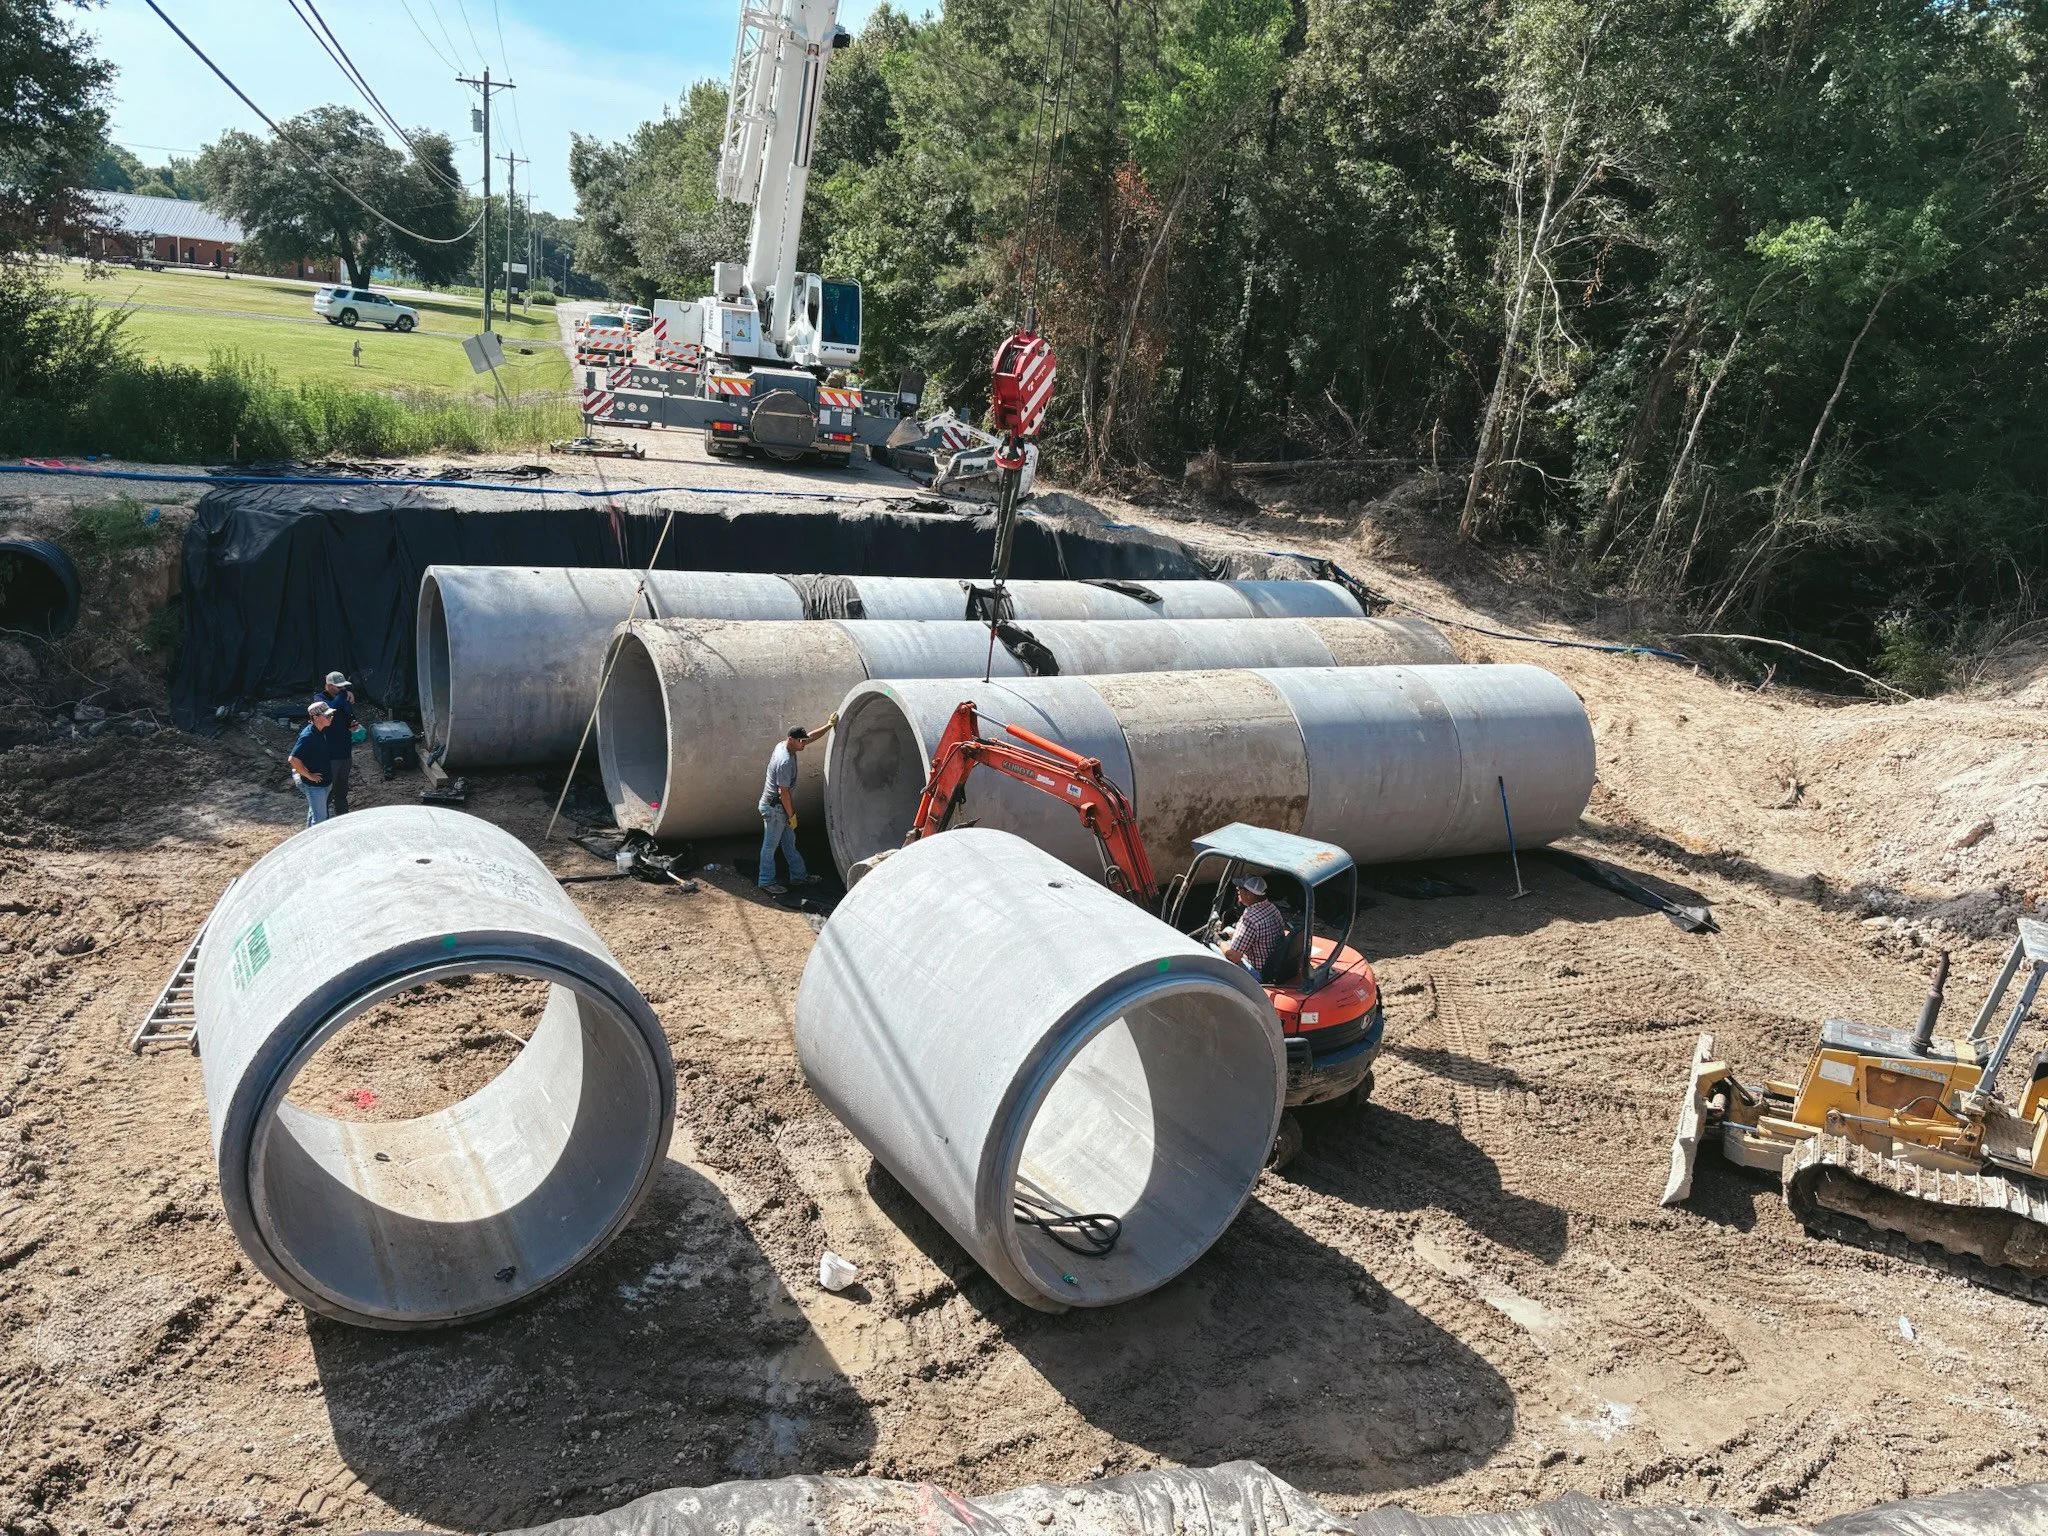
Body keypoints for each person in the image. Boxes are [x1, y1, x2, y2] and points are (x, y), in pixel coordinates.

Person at [758, 715, 837, 894]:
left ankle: (798, 877)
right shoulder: (785, 761)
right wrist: (791, 815)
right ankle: (766, 881)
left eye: (804, 741)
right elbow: (783, 793)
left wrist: (828, 726)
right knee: (770, 846)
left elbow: (810, 736)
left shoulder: (786, 745)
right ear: (791, 740)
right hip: (775, 808)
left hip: (779, 807)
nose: (804, 744)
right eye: (800, 741)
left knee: (789, 843)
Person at [1219, 872, 1287, 978]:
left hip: (1259, 972)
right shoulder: (1272, 908)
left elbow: (1234, 957)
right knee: (1228, 929)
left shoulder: (1249, 920)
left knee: (1213, 947)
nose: (1237, 889)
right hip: (1274, 960)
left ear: (1249, 894)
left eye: (1240, 888)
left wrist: (1218, 940)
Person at [288, 701, 340, 828]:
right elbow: (293, 759)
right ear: (316, 718)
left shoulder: (321, 730)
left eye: (331, 714)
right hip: (315, 786)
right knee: (320, 821)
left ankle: (308, 838)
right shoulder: (308, 736)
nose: (331, 717)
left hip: (324, 782)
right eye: (327, 715)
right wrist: (309, 775)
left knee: (314, 813)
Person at [315, 671, 359, 815]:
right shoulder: (319, 700)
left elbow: (347, 716)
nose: (342, 690)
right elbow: (330, 710)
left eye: (343, 687)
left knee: (342, 790)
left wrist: (352, 724)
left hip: (345, 751)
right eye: (338, 687)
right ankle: (323, 820)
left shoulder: (344, 697)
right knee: (327, 792)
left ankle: (342, 816)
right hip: (330, 755)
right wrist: (344, 695)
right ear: (329, 685)